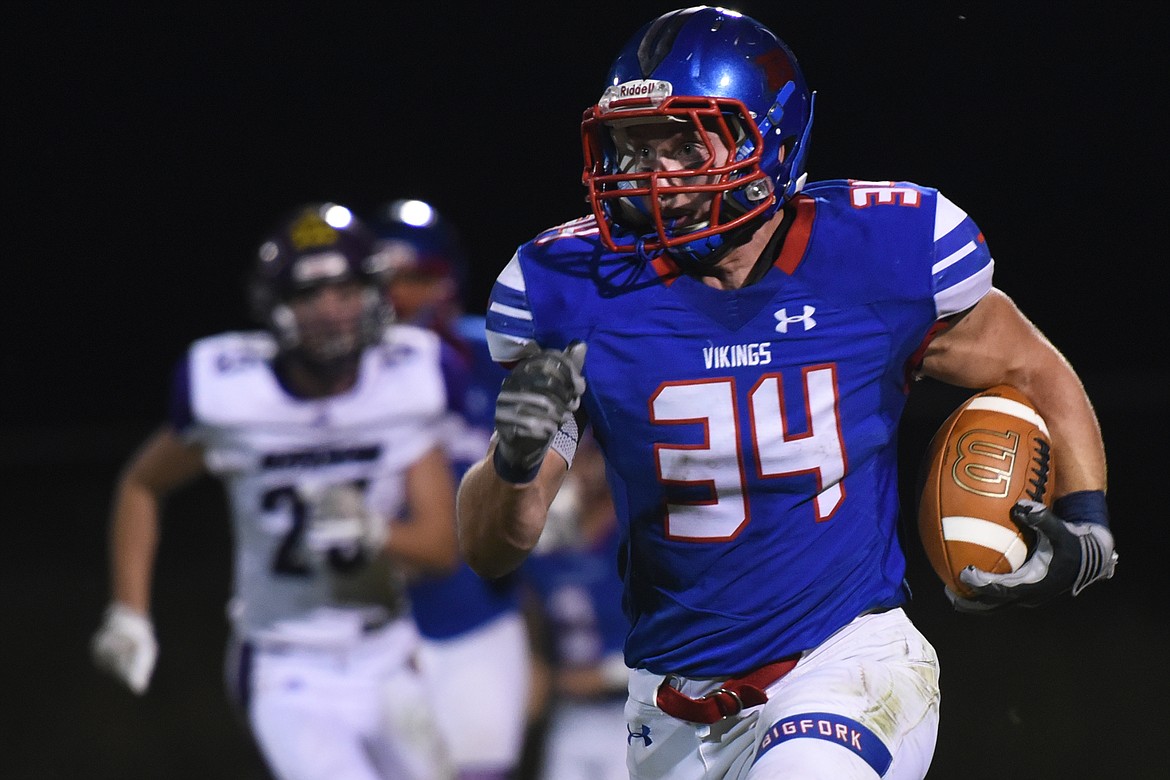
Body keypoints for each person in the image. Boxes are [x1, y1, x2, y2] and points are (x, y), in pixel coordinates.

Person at [454, 6, 1119, 780]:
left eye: (682, 142)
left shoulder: (875, 256)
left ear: (766, 140)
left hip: (846, 664)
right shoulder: (575, 289)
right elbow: (489, 549)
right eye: (635, 145)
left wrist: (1088, 524)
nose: (652, 171)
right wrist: (513, 455)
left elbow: (1032, 368)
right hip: (667, 706)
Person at [91, 202, 459, 780]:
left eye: (344, 290)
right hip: (288, 666)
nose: (330, 311)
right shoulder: (230, 395)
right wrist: (129, 610)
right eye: (308, 295)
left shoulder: (409, 382)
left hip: (389, 655)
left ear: (373, 293)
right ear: (276, 307)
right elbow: (142, 483)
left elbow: (441, 549)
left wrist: (377, 532)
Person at [372, 198, 533, 780]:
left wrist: (553, 497)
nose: (398, 298)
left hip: (477, 617)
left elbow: (579, 456)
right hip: (374, 628)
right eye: (385, 281)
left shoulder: (491, 357)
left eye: (414, 279)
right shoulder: (347, 378)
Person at [523, 433, 629, 780]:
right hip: (570, 715)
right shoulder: (544, 549)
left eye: (581, 461)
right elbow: (534, 637)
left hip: (630, 714)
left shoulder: (630, 538)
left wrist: (611, 674)